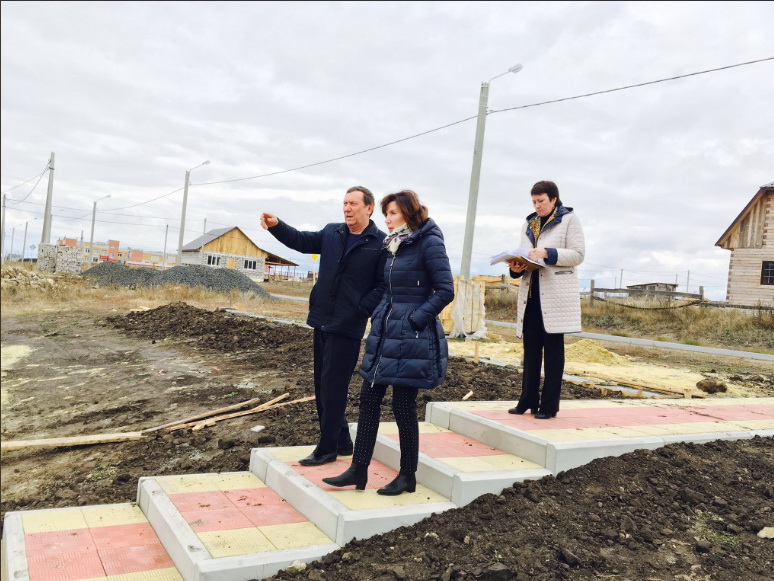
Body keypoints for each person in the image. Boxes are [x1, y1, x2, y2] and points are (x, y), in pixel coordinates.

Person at [323, 189, 454, 495]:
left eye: (393, 213)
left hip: (412, 338)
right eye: (386, 214)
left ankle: (407, 475)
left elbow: (445, 289)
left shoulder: (429, 242)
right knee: (369, 400)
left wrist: (414, 319)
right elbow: (389, 288)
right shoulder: (396, 244)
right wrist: (380, 313)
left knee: (403, 405)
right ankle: (358, 470)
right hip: (385, 333)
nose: (388, 219)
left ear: (409, 213)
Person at [260, 186, 387, 466]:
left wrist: (359, 309)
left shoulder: (380, 243)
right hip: (322, 319)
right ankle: (341, 441)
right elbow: (301, 240)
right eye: (345, 203)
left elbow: (383, 286)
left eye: (353, 203)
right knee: (323, 384)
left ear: (369, 208)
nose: (347, 208)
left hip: (347, 325)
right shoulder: (332, 232)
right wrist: (277, 226)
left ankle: (327, 449)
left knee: (334, 387)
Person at [506, 180, 585, 419]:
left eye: (541, 201)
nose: (537, 206)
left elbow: (578, 255)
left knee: (553, 354)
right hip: (530, 296)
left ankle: (549, 407)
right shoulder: (528, 224)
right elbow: (523, 253)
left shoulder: (569, 220)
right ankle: (527, 400)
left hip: (554, 297)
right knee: (530, 352)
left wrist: (547, 253)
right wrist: (516, 268)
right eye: (533, 202)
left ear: (554, 199)